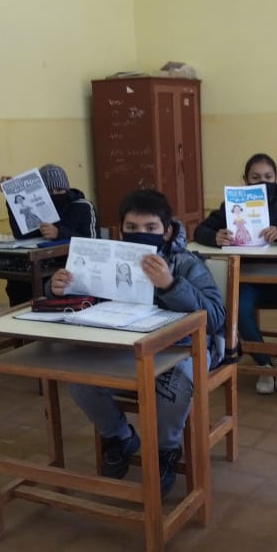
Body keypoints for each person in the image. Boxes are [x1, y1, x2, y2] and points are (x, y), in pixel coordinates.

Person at [50, 189, 225, 497]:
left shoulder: (186, 263)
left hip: (182, 348)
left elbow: (215, 316)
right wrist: (57, 289)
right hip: (125, 348)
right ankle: (120, 436)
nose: (140, 234)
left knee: (177, 384)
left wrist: (170, 285)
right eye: (132, 228)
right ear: (121, 230)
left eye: (150, 228)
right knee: (78, 377)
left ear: (166, 231)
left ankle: (166, 450)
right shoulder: (107, 260)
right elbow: (85, 301)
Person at [194, 153, 277, 395]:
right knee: (238, 309)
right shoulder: (233, 202)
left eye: (268, 176)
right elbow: (200, 230)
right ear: (245, 180)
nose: (262, 182)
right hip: (248, 279)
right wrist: (215, 237)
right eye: (255, 178)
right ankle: (264, 363)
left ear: (276, 177)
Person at [0, 164, 99, 306]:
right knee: (18, 282)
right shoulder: (37, 207)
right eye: (49, 192)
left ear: (67, 189)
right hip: (41, 264)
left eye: (59, 190)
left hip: (72, 267)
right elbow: (21, 234)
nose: (55, 194)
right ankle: (21, 312)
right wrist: (11, 197)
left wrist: (60, 233)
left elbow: (94, 243)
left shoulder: (83, 206)